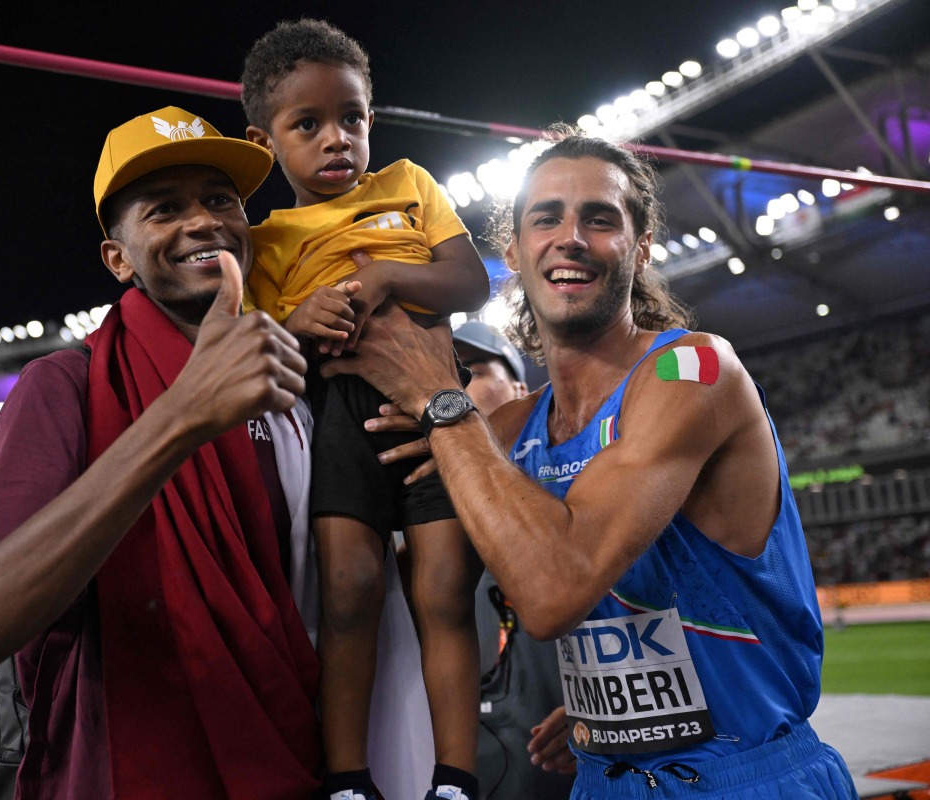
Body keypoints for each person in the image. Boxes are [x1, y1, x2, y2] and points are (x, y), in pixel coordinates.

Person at [326, 126, 858, 799]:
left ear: (640, 249)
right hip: (606, 778)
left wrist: (444, 407)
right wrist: (618, 717)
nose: (570, 236)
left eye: (599, 219)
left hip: (744, 779)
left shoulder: (693, 369)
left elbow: (553, 592)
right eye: (546, 217)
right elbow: (407, 595)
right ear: (513, 253)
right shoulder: (510, 428)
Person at [0, 106, 322, 799]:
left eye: (220, 199)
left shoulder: (292, 393)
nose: (202, 221)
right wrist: (180, 416)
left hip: (287, 759)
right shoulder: (65, 385)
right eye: (165, 209)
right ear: (118, 258)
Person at [240, 19, 492, 800]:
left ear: (372, 120)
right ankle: (347, 779)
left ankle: (454, 777)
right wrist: (292, 323)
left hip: (435, 405)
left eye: (351, 119)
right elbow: (260, 360)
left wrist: (386, 276)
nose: (336, 139)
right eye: (307, 125)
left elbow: (471, 284)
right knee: (348, 589)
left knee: (445, 587)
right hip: (337, 412)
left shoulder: (412, 185)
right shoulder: (266, 240)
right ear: (265, 140)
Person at [450, 322, 576, 800]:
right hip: (458, 768)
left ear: (522, 391)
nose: (458, 389)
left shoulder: (578, 484)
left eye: (475, 372)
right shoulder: (416, 508)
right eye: (451, 375)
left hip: (564, 763)